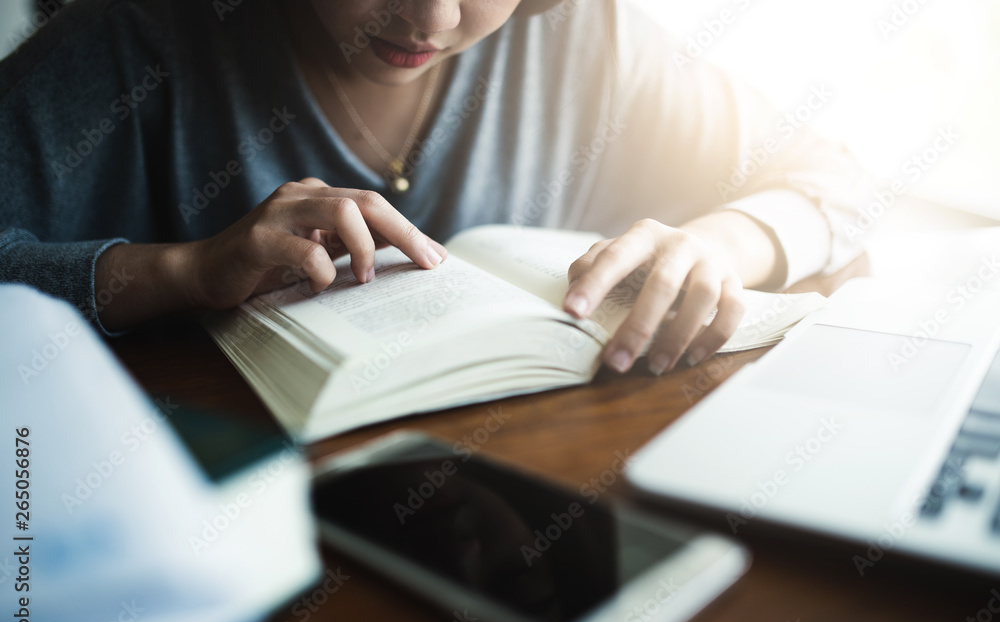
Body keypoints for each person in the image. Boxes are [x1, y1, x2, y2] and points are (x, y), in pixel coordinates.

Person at [0, 0, 867, 375]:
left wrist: (722, 243)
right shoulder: (137, 44)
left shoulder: (582, 37)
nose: (433, 21)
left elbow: (837, 181)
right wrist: (185, 272)